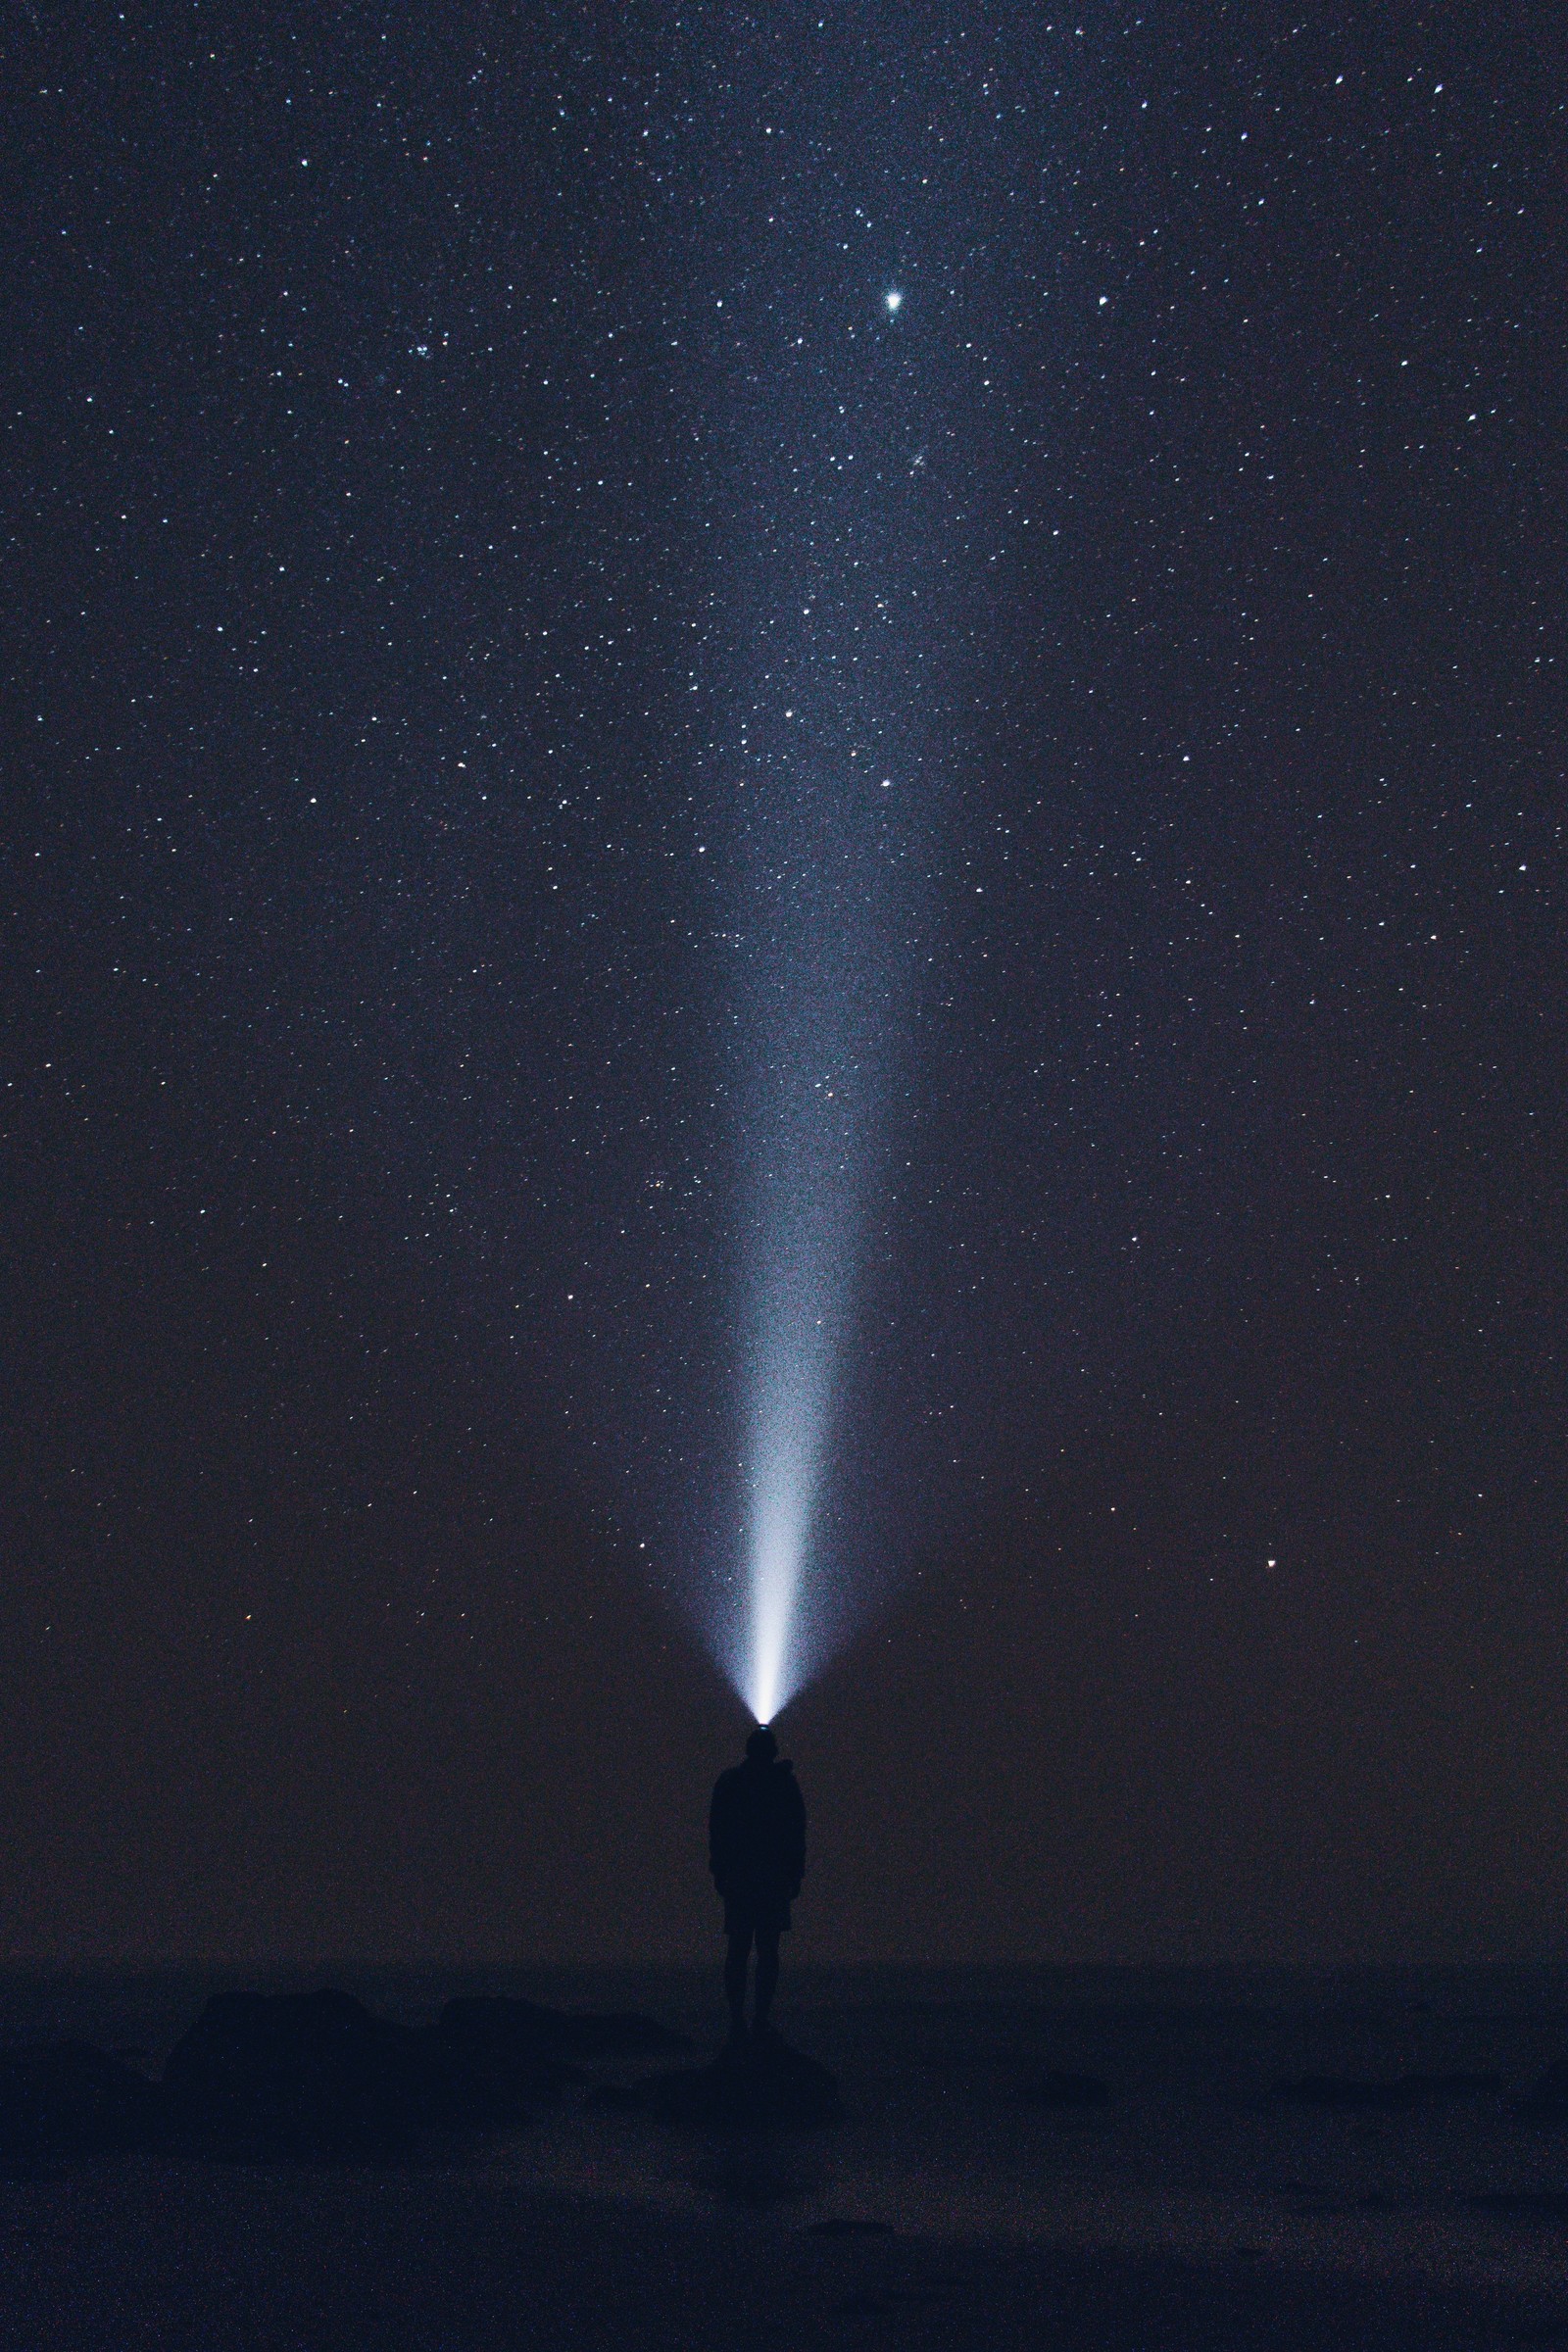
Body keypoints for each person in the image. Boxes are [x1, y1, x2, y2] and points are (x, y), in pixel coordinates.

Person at [709, 1725, 806, 2044]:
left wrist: (720, 1872)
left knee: (738, 1949)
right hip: (771, 1878)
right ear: (773, 1751)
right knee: (767, 1951)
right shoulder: (784, 1785)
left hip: (740, 1877)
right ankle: (759, 2020)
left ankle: (738, 2020)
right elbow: (796, 1832)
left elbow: (717, 1831)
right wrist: (795, 1874)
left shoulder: (730, 1783)